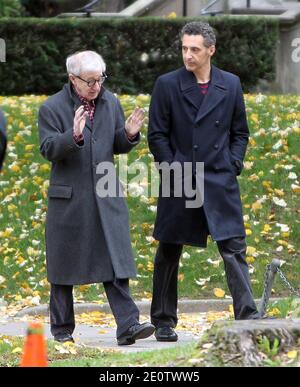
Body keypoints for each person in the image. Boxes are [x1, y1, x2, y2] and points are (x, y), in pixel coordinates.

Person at [148, 22, 260, 342]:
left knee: (233, 246)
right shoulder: (167, 84)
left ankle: (247, 314)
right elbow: (157, 135)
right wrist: (171, 168)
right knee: (169, 249)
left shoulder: (231, 84)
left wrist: (233, 163)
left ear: (211, 50)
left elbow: (240, 132)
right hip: (180, 177)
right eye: (184, 48)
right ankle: (163, 320)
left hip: (218, 177)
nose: (188, 55)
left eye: (195, 49)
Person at [39, 50, 155, 345]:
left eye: (99, 79)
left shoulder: (110, 101)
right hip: (69, 197)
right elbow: (49, 148)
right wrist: (73, 136)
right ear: (72, 79)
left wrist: (128, 135)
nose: (95, 86)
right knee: (63, 268)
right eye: (88, 80)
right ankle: (62, 330)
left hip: (106, 194)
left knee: (114, 261)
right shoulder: (51, 107)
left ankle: (128, 325)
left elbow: (113, 144)